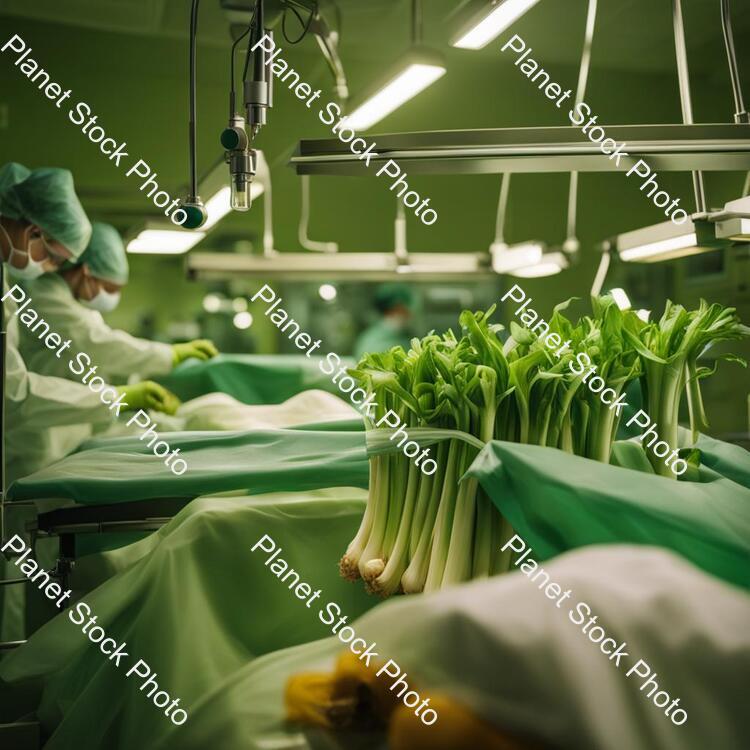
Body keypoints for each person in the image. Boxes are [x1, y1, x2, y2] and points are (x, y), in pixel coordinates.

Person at [0, 162, 180, 485]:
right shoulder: (43, 294)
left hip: (53, 438)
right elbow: (15, 395)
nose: (52, 267)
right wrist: (121, 395)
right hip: (33, 444)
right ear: (32, 232)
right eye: (54, 257)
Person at [19, 221, 218, 382]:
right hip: (39, 424)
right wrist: (169, 354)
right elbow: (98, 344)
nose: (112, 297)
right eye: (109, 289)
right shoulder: (43, 296)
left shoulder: (76, 305)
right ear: (85, 272)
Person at [353, 283, 415, 359]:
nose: (408, 314)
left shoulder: (404, 336)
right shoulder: (371, 341)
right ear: (391, 310)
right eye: (402, 310)